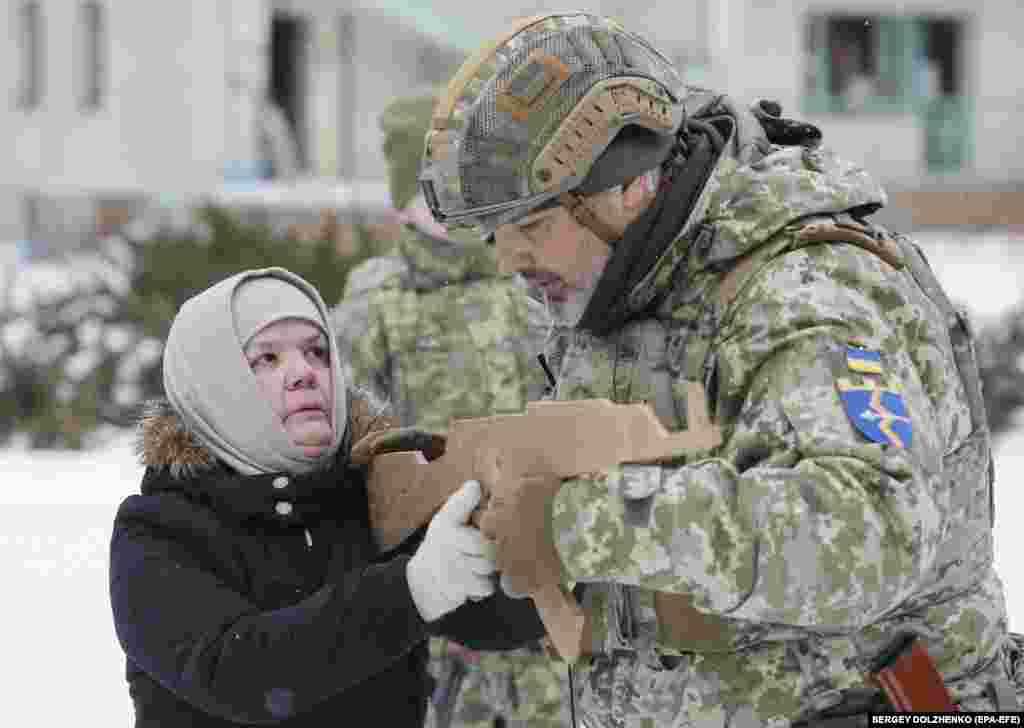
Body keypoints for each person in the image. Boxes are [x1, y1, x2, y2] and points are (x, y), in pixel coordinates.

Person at [418, 12, 1021, 725]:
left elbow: (870, 531)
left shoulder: (804, 287)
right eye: (495, 236)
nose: (509, 262)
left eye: (530, 228)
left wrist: (571, 523)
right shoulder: (622, 289)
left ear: (626, 186)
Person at [109, 266, 545, 727]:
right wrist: (414, 588)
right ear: (214, 384)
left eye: (317, 353)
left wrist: (545, 530)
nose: (303, 373)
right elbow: (241, 675)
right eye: (267, 359)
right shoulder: (158, 531)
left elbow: (496, 619)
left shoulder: (373, 494)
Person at [332, 93, 568, 728]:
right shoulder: (374, 312)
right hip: (438, 626)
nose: (455, 202)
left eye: (468, 183)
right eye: (433, 187)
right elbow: (352, 474)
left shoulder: (539, 289)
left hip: (551, 618)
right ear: (401, 200)